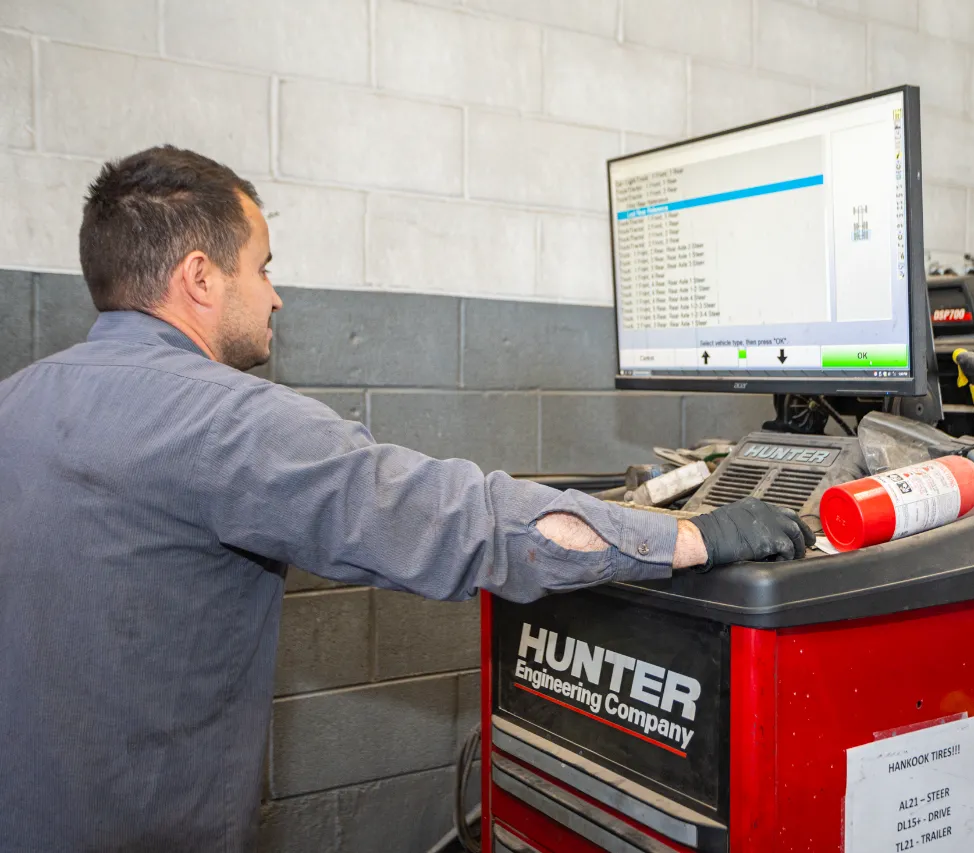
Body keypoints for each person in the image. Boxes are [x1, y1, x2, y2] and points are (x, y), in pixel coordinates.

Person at [0, 146, 813, 852]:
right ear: (201, 277)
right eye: (264, 266)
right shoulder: (224, 422)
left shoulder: (17, 401)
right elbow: (459, 519)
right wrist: (696, 536)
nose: (276, 294)